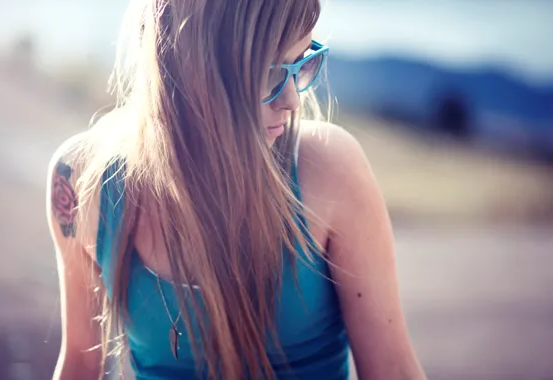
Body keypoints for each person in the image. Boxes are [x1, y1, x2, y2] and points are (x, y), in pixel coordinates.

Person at [47, 1, 426, 379]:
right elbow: (80, 362)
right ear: (191, 64)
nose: (292, 101)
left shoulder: (328, 169)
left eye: (303, 62)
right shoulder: (81, 180)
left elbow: (392, 369)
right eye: (270, 72)